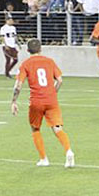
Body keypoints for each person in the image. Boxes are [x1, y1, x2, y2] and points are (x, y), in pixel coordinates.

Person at [11, 39, 75, 168]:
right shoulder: (49, 61)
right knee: (57, 128)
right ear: (40, 49)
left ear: (28, 50)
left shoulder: (26, 64)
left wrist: (14, 101)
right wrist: (53, 93)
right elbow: (60, 80)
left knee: (35, 128)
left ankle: (44, 159)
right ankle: (68, 150)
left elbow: (18, 85)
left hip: (36, 101)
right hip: (51, 100)